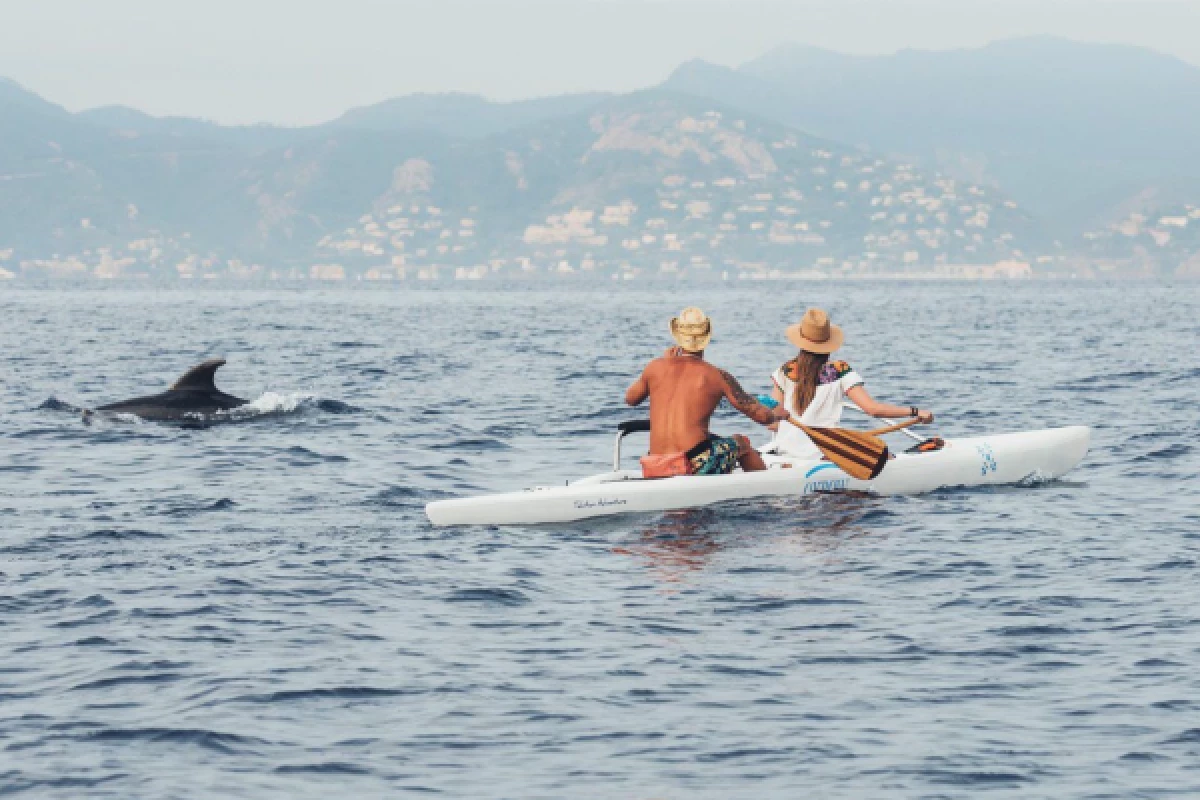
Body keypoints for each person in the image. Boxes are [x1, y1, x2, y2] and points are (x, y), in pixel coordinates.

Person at [625, 307, 790, 476]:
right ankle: (763, 492)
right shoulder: (717, 375)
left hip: (655, 462)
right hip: (693, 463)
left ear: (677, 336)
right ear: (707, 336)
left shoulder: (655, 366)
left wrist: (665, 363)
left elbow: (630, 399)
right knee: (742, 444)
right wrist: (777, 414)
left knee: (712, 440)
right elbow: (761, 416)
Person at [768, 308, 934, 459]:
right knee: (887, 457)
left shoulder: (783, 371)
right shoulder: (839, 370)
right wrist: (915, 412)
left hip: (785, 452)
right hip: (823, 453)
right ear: (828, 343)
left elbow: (773, 424)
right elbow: (873, 409)